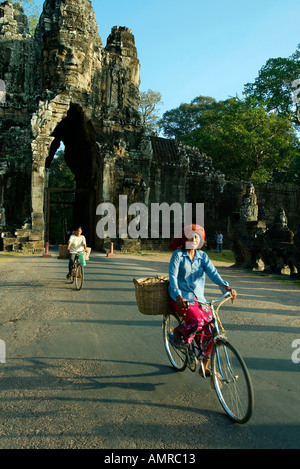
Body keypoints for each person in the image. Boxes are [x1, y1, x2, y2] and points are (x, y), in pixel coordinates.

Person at [168, 224, 236, 377]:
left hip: (199, 299)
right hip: (180, 298)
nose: (194, 239)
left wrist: (226, 288)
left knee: (212, 329)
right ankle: (178, 332)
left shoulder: (203, 257)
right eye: (191, 236)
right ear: (185, 239)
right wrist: (178, 295)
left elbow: (213, 273)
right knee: (198, 321)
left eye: (197, 237)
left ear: (201, 240)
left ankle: (204, 367)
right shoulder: (178, 255)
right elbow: (172, 277)